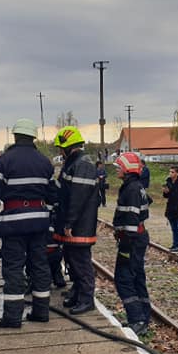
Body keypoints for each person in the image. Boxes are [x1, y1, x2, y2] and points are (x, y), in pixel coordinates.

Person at [0, 118, 56, 328]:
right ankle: (41, 312)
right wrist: (48, 220)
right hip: (39, 223)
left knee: (14, 268)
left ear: (15, 136)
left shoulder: (4, 161)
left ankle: (13, 318)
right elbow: (53, 196)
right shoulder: (45, 162)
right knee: (40, 266)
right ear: (33, 137)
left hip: (13, 223)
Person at [53, 126, 100, 314]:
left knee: (81, 262)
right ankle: (78, 292)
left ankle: (87, 298)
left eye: (60, 148)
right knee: (72, 259)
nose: (59, 152)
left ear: (67, 146)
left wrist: (69, 223)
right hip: (74, 224)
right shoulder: (74, 163)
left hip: (79, 225)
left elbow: (77, 197)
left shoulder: (82, 165)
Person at [112, 152, 153, 336]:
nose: (117, 170)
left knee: (124, 278)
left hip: (132, 240)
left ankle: (137, 319)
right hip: (137, 238)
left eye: (119, 167)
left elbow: (131, 218)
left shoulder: (131, 190)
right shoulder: (136, 187)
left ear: (127, 169)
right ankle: (143, 315)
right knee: (137, 277)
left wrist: (126, 247)